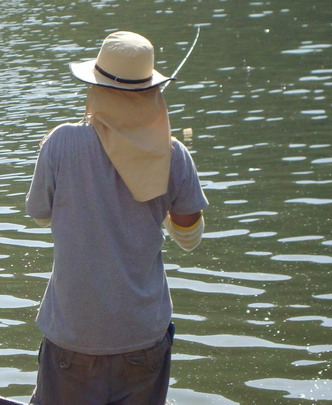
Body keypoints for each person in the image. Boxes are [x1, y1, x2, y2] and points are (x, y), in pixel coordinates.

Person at [26, 31, 209, 405]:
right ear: (151, 92)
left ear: (96, 88)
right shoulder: (173, 154)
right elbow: (189, 239)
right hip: (143, 334)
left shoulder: (60, 142)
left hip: (74, 335)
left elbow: (39, 214)